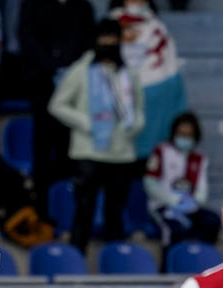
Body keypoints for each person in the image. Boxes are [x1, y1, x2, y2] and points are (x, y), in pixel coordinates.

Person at [48, 18, 144, 254]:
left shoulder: (128, 72)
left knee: (116, 213)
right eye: (104, 37)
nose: (109, 42)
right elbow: (57, 104)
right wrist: (86, 123)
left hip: (121, 153)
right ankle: (76, 263)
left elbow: (140, 109)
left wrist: (134, 126)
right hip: (88, 151)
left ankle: (115, 263)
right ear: (95, 40)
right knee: (84, 212)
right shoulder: (81, 71)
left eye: (113, 37)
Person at [19, 0, 96, 199]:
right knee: (43, 147)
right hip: (42, 86)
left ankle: (65, 205)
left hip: (74, 91)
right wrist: (53, 67)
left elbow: (88, 44)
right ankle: (41, 206)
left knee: (68, 149)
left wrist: (70, 73)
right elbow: (27, 39)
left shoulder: (83, 7)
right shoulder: (32, 5)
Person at [109, 0, 186, 161]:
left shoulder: (158, 27)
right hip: (115, 105)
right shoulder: (110, 23)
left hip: (153, 105)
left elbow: (170, 72)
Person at [143, 111, 220, 252]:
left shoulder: (199, 158)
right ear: (174, 133)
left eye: (188, 135)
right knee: (173, 229)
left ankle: (201, 261)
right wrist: (171, 200)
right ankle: (169, 269)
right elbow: (149, 182)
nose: (184, 138)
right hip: (163, 206)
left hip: (189, 207)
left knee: (211, 221)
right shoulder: (161, 151)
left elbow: (202, 190)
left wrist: (194, 202)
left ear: (195, 136)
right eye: (181, 134)